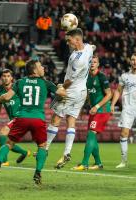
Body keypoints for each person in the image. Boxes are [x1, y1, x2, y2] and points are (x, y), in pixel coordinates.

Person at [0, 60, 66, 184]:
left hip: (22, 117)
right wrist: (61, 87)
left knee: (8, 144)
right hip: (38, 118)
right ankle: (38, 173)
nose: (43, 68)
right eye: (40, 66)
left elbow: (7, 97)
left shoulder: (19, 82)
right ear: (34, 70)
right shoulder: (45, 83)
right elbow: (62, 94)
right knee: (42, 146)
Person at [45, 28, 95, 169]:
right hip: (82, 92)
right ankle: (67, 153)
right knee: (71, 120)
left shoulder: (77, 59)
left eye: (69, 40)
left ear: (77, 40)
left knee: (55, 119)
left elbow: (69, 81)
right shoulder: (89, 48)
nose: (67, 43)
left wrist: (61, 88)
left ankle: (45, 148)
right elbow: (92, 46)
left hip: (71, 91)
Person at [72, 56, 112, 170]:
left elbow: (109, 94)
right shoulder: (87, 77)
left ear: (98, 64)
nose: (92, 63)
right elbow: (88, 94)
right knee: (91, 136)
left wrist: (97, 106)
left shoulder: (101, 76)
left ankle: (84, 163)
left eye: (95, 62)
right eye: (91, 62)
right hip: (94, 110)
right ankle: (98, 163)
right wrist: (85, 106)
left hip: (102, 110)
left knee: (91, 134)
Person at [0, 69, 30, 166]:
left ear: (12, 78)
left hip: (20, 116)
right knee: (8, 142)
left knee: (2, 132)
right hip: (14, 119)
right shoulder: (0, 91)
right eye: (4, 76)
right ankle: (25, 153)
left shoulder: (17, 88)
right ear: (1, 78)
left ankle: (3, 161)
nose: (6, 78)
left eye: (8, 76)